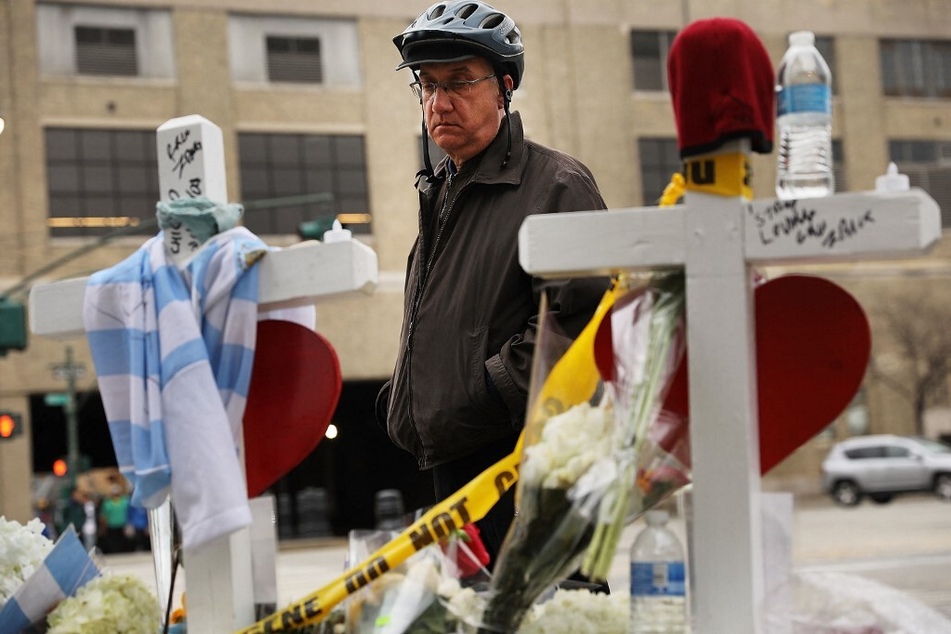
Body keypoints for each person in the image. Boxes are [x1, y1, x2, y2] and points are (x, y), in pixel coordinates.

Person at [377, 0, 611, 571]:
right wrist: (407, 400)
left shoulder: (556, 183)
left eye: (459, 82)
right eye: (427, 85)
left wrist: (487, 390)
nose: (439, 102)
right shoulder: (441, 190)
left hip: (523, 465)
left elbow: (583, 320)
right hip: (450, 464)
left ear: (504, 87)